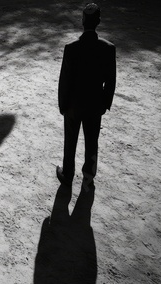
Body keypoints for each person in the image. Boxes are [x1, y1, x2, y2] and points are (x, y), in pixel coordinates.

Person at [57, 3, 116, 189]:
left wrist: (62, 105)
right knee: (92, 143)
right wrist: (105, 104)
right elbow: (111, 81)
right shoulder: (108, 48)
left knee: (70, 142)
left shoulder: (71, 48)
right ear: (98, 21)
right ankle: (88, 178)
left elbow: (64, 80)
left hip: (73, 106)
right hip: (94, 105)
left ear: (82, 20)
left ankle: (67, 175)